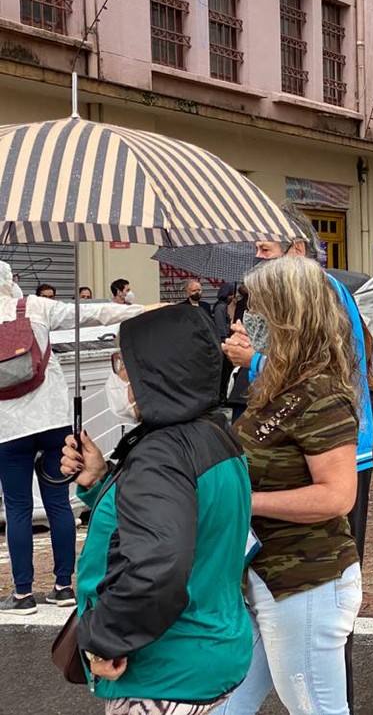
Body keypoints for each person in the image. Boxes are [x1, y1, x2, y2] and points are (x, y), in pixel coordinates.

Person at [60, 306, 252, 714]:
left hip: (165, 667)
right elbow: (177, 520)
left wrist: (105, 639)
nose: (120, 378)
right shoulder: (212, 433)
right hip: (209, 647)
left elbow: (157, 565)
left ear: (155, 374)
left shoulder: (161, 456)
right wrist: (100, 481)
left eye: (124, 365)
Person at [220, 216, 373, 715]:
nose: (246, 321)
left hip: (305, 584)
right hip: (267, 577)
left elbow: (336, 496)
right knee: (225, 705)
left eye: (257, 310)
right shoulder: (278, 382)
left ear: (287, 318)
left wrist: (246, 500)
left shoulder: (320, 393)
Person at [0, 261, 143, 615]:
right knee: (58, 504)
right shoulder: (35, 306)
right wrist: (143, 309)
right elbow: (94, 314)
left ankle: (22, 593)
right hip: (54, 422)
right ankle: (63, 586)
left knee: (18, 508)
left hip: (9, 429)